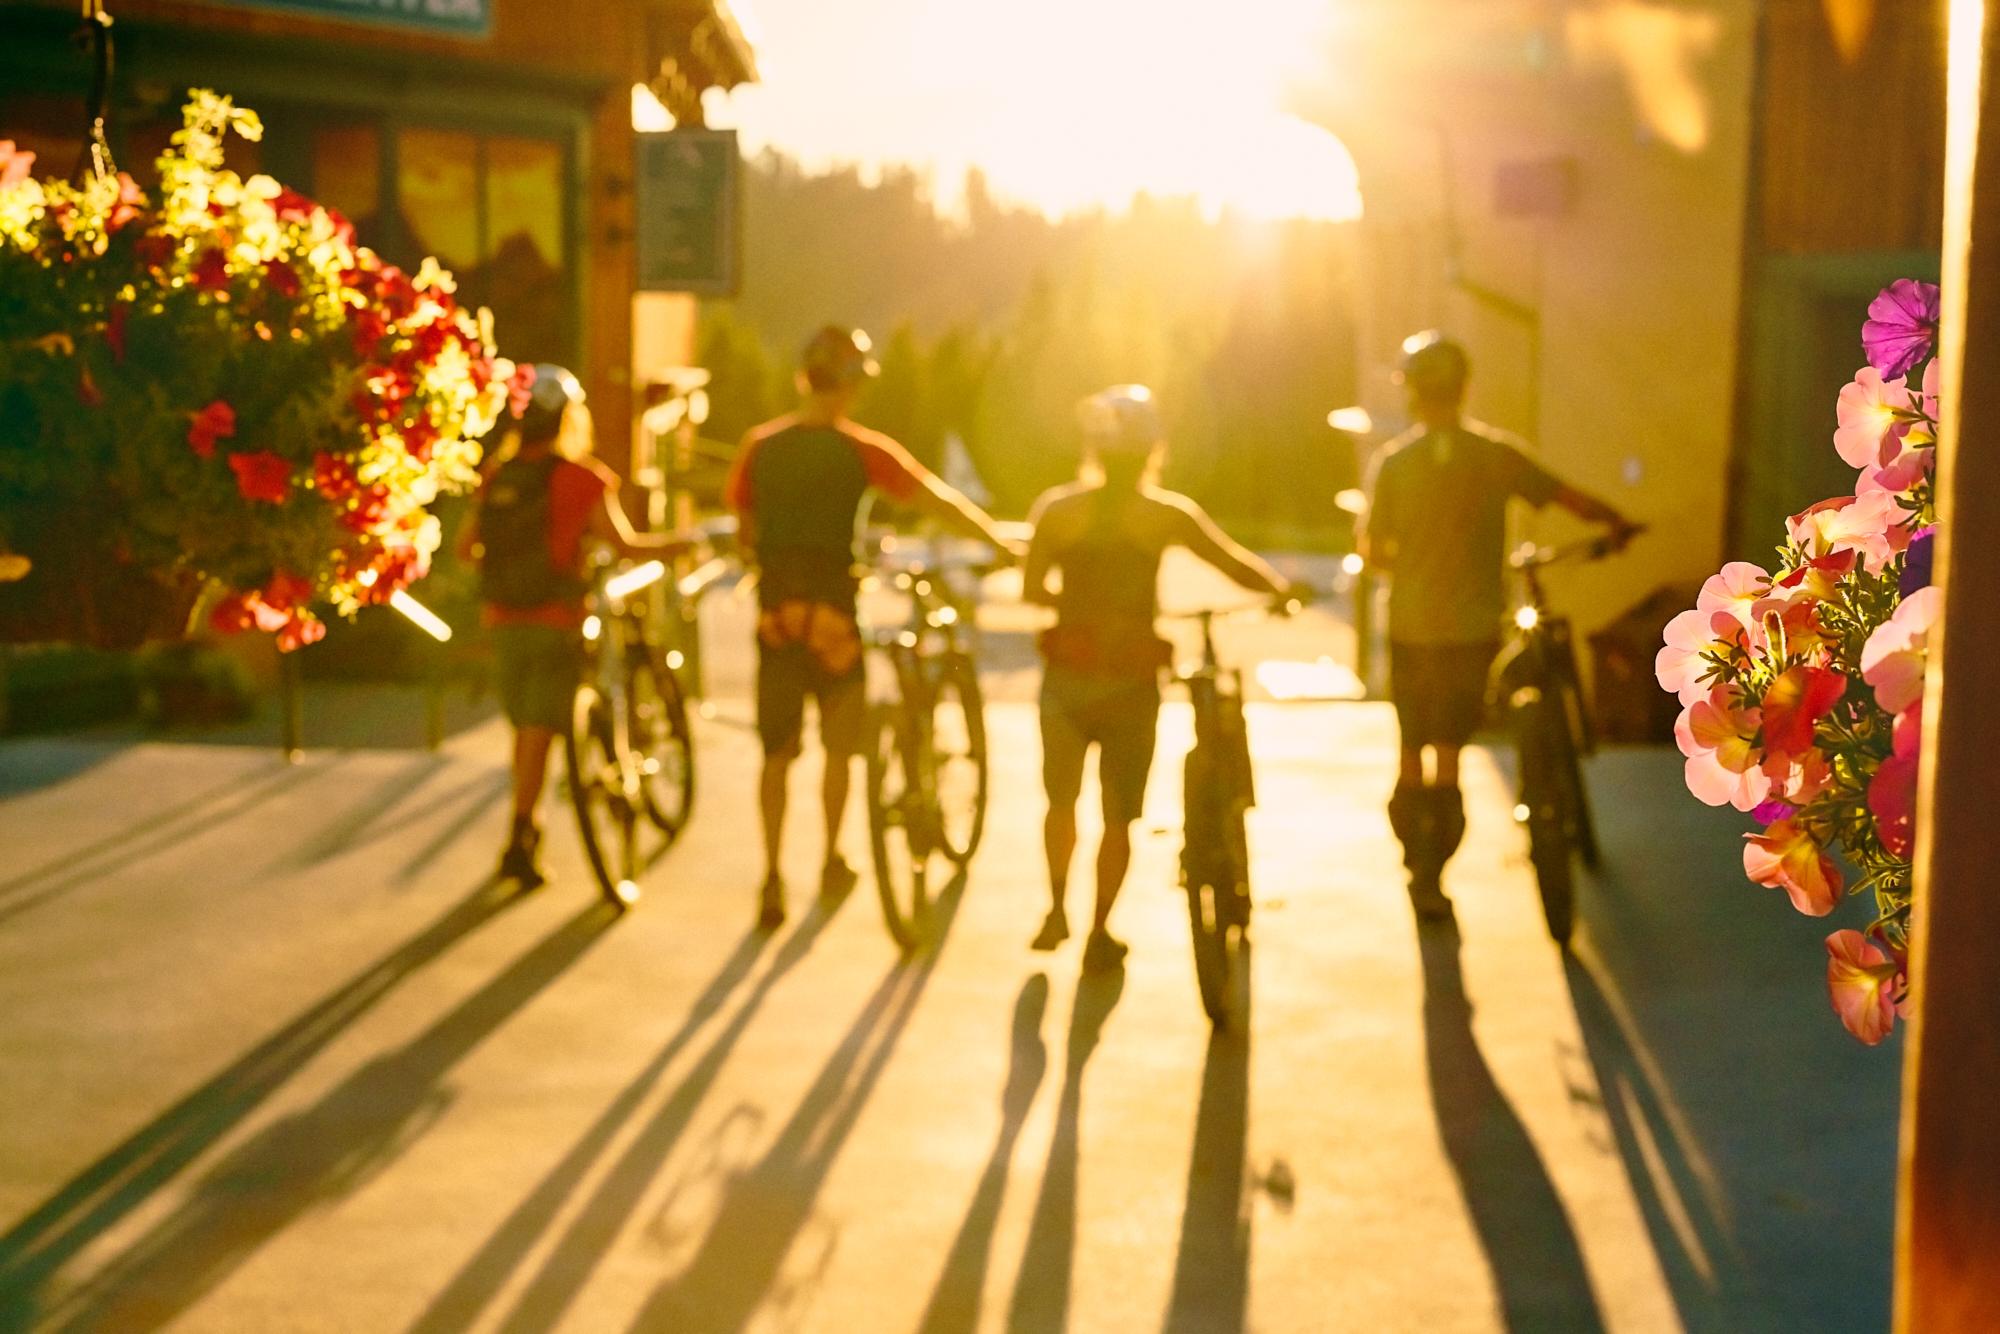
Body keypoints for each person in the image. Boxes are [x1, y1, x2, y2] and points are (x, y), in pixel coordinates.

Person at [726, 326, 1016, 930]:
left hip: (777, 618)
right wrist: (997, 541)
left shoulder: (760, 446)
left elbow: (744, 530)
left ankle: (771, 876)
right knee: (839, 748)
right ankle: (831, 858)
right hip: (835, 616)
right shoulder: (860, 449)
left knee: (777, 755)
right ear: (848, 385)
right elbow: (935, 500)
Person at [1357, 332, 1638, 921]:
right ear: (1464, 388)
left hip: (1410, 628)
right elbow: (1566, 497)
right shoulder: (1495, 455)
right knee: (1449, 753)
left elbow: (1375, 552)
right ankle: (1435, 873)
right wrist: (1616, 521)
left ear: (1412, 394)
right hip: (1472, 629)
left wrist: (1417, 563)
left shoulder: (1394, 464)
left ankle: (1417, 866)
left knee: (1410, 751)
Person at [1023, 385, 1300, 971]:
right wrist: (1281, 591)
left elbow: (1032, 591)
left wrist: (1075, 607)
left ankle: (1055, 909)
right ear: (1153, 450)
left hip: (1067, 677)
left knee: (1061, 801)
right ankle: (1100, 931)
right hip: (1131, 682)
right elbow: (1232, 562)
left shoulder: (1057, 511)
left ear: (1093, 449)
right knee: (1119, 815)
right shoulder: (1166, 514)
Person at [461, 364, 686, 890]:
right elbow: (626, 545)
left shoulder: (497, 475)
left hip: (502, 620)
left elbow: (465, 548)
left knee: (525, 729)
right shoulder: (583, 477)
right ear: (568, 417)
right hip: (557, 619)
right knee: (539, 731)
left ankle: (526, 827)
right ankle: (522, 835)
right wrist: (683, 544)